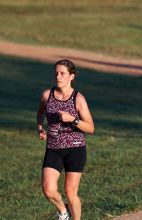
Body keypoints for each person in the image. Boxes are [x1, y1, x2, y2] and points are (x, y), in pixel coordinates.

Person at [37, 59, 94, 220]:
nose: (58, 76)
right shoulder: (47, 95)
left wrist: (73, 120)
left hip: (75, 149)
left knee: (70, 192)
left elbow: (91, 128)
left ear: (71, 76)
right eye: (56, 73)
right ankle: (63, 212)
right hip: (54, 148)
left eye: (62, 73)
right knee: (48, 189)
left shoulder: (78, 98)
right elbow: (40, 112)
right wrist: (40, 127)